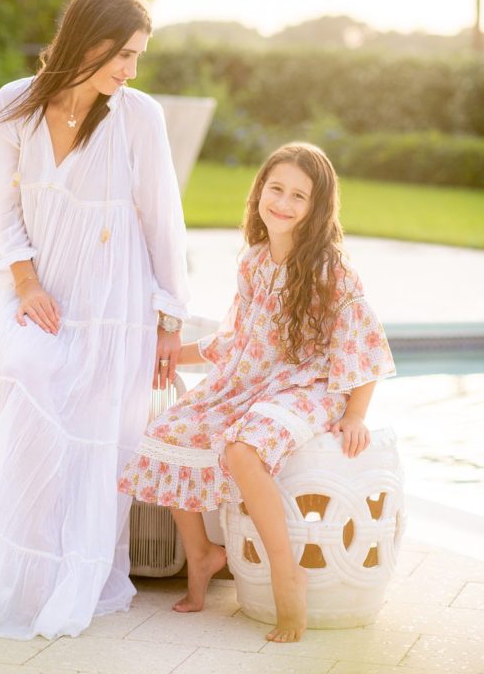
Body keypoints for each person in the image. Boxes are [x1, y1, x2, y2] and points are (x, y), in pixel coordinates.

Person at [0, 0, 189, 640]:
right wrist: (27, 283)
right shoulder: (17, 104)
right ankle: (12, 567)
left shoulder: (137, 115)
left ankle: (63, 575)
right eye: (122, 53)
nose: (128, 70)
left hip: (113, 302)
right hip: (35, 289)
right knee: (18, 378)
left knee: (90, 433)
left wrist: (169, 322)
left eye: (136, 57)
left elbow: (163, 219)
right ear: (87, 41)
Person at [118, 142, 395, 643]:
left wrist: (356, 413)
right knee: (168, 431)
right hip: (251, 382)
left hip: (309, 385)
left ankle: (285, 573)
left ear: (317, 208)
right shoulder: (252, 261)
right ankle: (201, 554)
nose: (284, 204)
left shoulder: (331, 269)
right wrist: (166, 356)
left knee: (243, 450)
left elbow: (364, 343)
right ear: (260, 192)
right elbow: (236, 339)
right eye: (276, 189)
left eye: (299, 196)